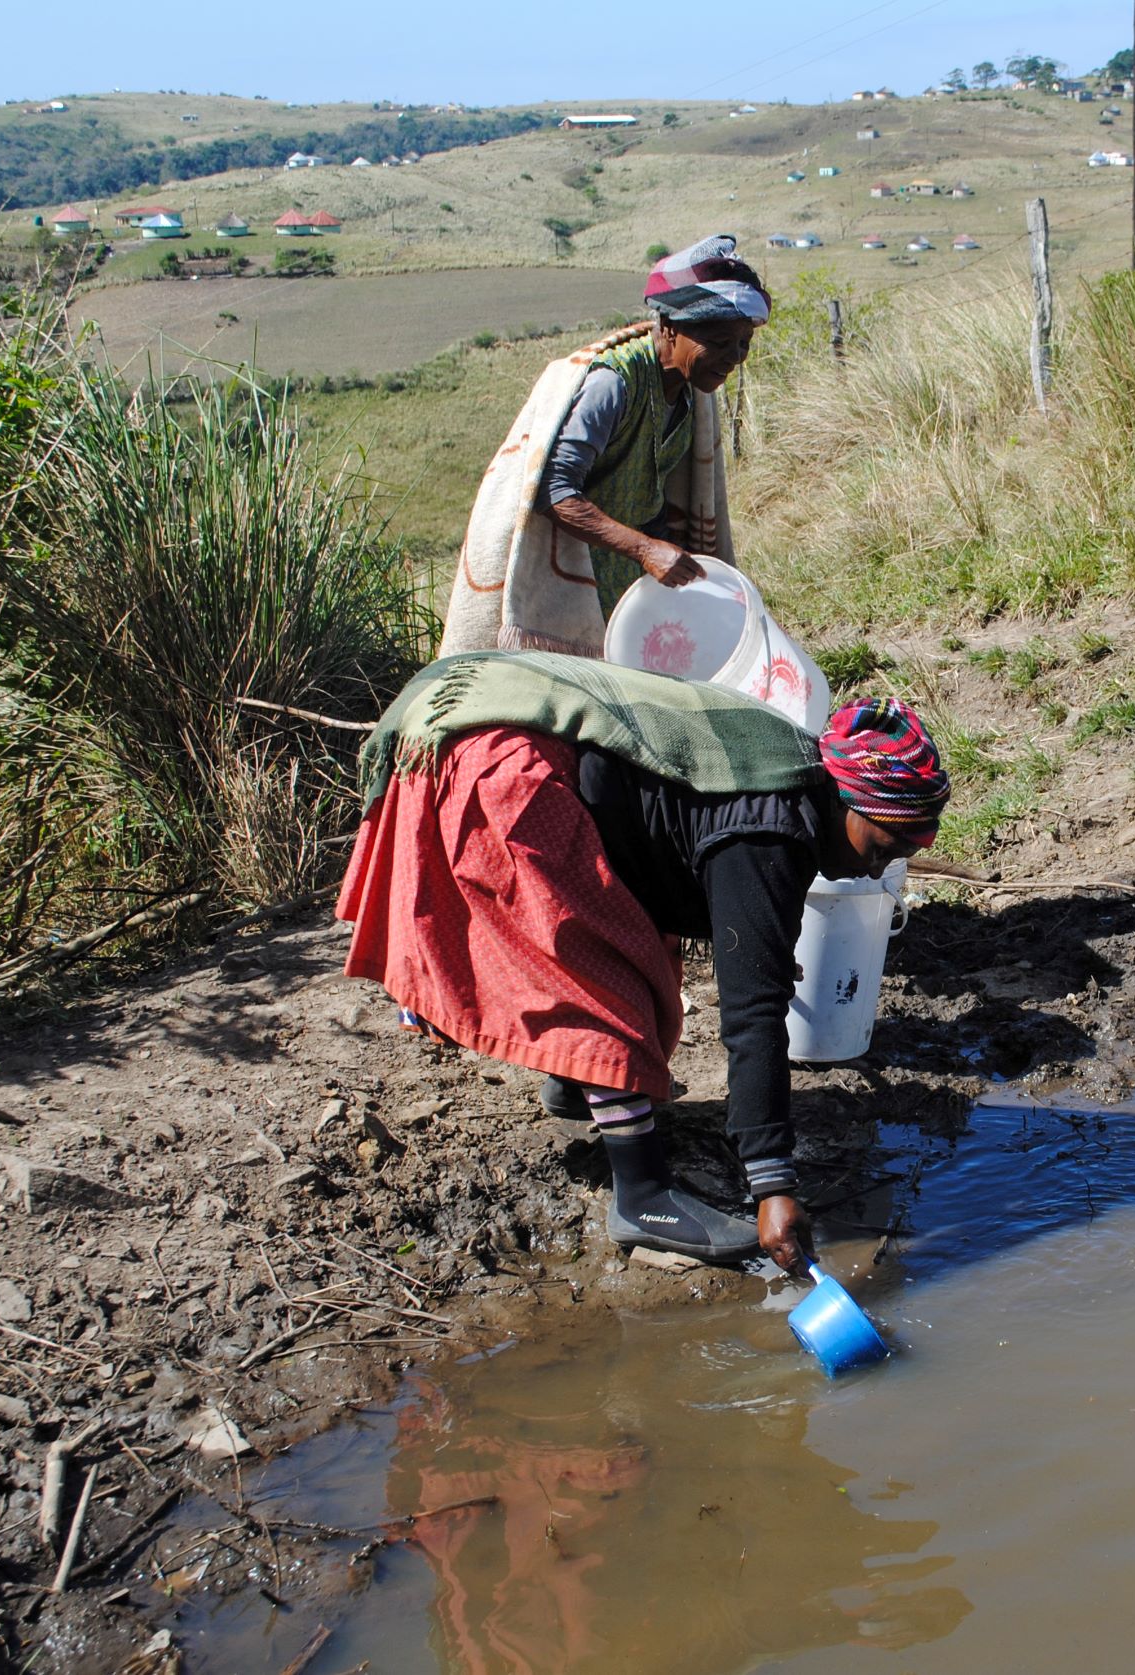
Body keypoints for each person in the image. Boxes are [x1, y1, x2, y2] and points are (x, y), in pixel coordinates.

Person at [336, 651, 948, 1269]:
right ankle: (644, 1197)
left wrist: (761, 944)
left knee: (641, 950)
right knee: (600, 978)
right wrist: (773, 1184)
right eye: (880, 846)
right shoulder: (770, 829)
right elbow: (755, 1017)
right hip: (505, 767)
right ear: (844, 802)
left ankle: (577, 1089)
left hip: (515, 742)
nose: (876, 867)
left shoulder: (798, 779)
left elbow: (678, 860)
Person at [438, 235, 770, 658]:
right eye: (720, 342)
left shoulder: (688, 392)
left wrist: (668, 555)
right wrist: (645, 549)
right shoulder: (613, 385)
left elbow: (647, 486)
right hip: (573, 574)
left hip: (621, 575)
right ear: (670, 328)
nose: (735, 357)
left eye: (744, 343)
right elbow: (553, 489)